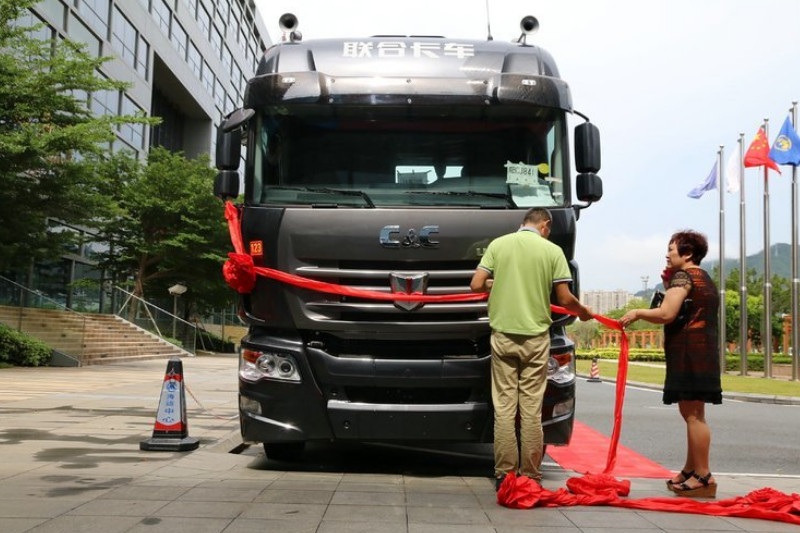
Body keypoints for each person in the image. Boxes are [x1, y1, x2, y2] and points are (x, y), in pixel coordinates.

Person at [470, 207, 593, 491]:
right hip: (536, 339)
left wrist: (495, 282)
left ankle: (504, 475)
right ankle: (531, 475)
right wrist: (583, 311)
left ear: (524, 222)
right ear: (545, 225)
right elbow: (565, 298)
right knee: (531, 410)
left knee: (504, 408)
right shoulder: (552, 251)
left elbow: (476, 284)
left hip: (503, 336)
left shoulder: (499, 245)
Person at [619, 230, 722, 498]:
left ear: (688, 254)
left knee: (693, 415)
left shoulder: (683, 277)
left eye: (672, 249)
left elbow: (666, 313)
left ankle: (703, 476)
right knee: (694, 413)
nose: (667, 255)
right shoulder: (705, 278)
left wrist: (637, 312)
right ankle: (690, 469)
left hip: (688, 353)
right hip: (703, 352)